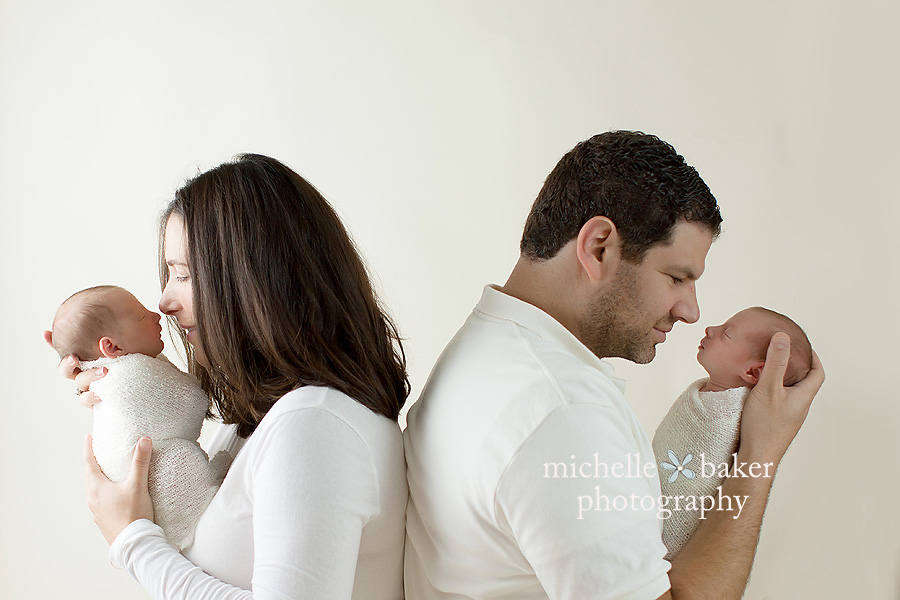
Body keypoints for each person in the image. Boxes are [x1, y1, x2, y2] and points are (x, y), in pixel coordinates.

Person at [403, 131, 824, 599]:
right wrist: (760, 457)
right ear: (599, 247)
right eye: (676, 277)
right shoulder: (562, 411)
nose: (691, 311)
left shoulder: (484, 349)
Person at [56, 154, 409, 599]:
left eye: (183, 274)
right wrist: (123, 386)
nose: (164, 300)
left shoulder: (316, 424)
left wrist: (133, 542)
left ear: (253, 280)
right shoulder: (263, 418)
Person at [45, 285, 229, 550]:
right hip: (157, 491)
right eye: (142, 316)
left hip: (143, 523)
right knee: (173, 459)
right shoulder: (125, 376)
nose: (157, 314)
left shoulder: (114, 372)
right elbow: (191, 402)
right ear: (111, 346)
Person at [652, 307, 812, 559]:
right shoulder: (706, 395)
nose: (710, 329)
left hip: (665, 541)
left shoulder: (731, 419)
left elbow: (700, 482)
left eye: (726, 334)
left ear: (754, 372)